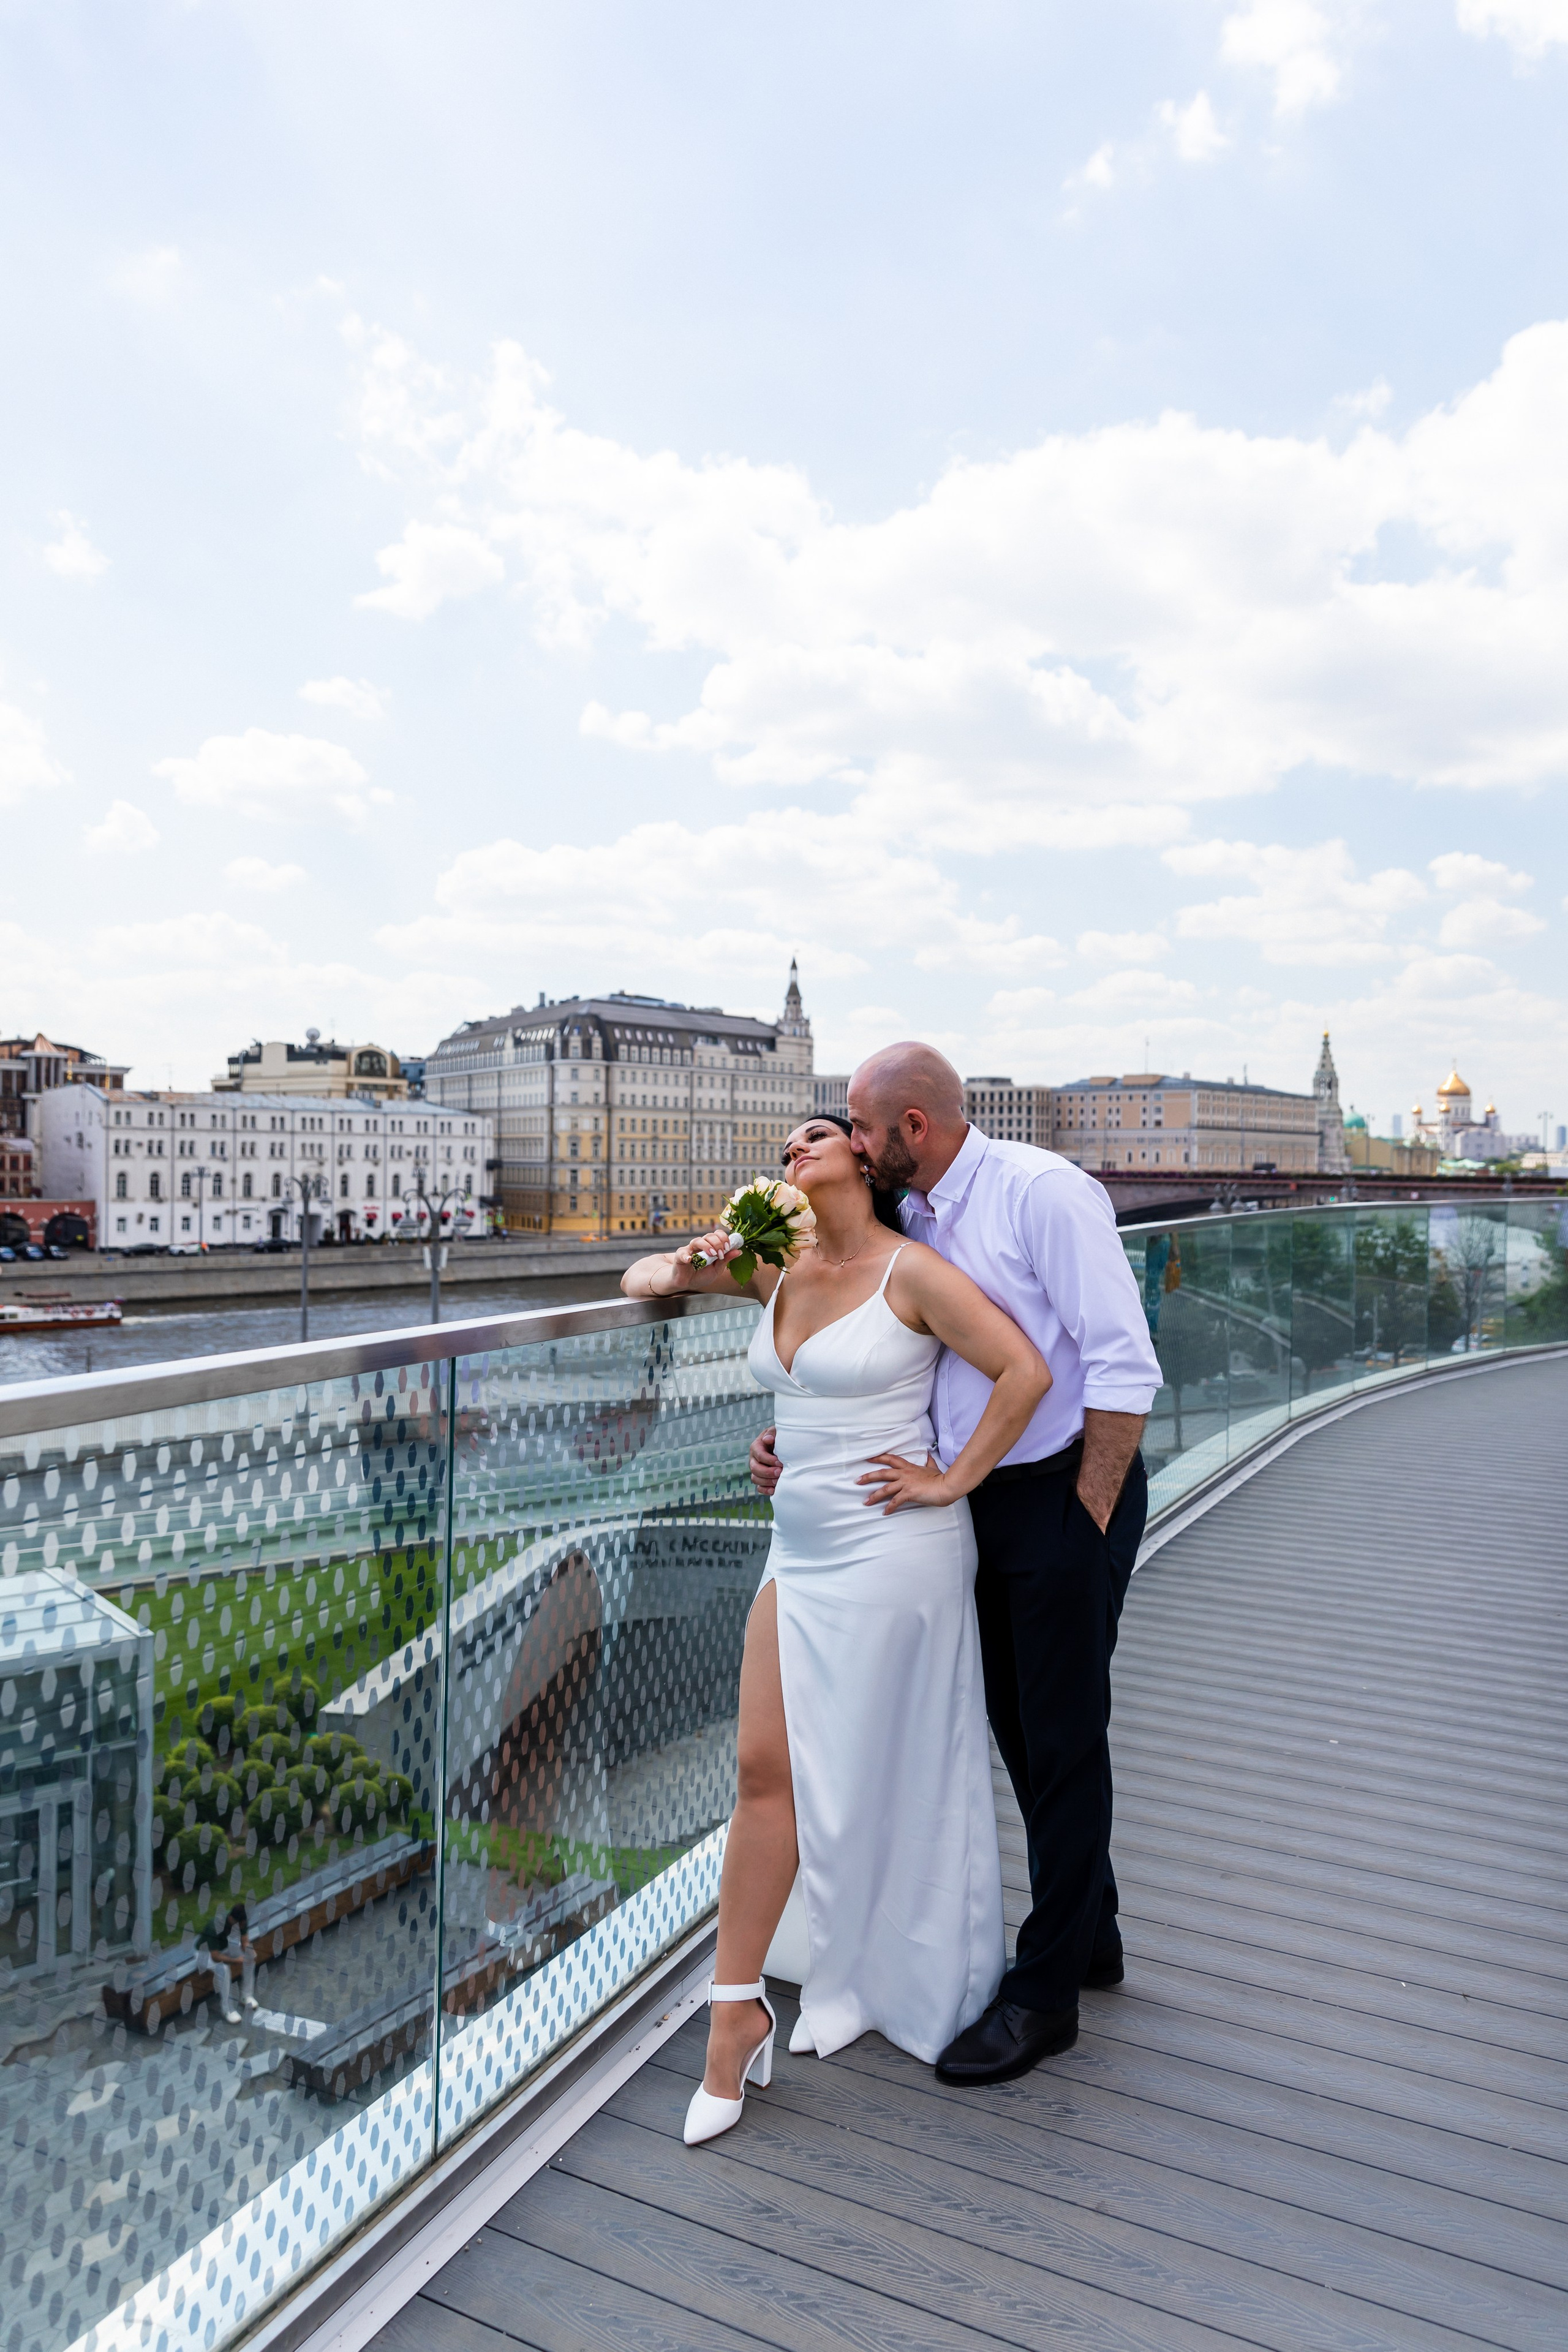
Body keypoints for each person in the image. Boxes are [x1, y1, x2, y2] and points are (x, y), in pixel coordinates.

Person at [623, 1111, 1051, 2145]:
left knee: (883, 1765)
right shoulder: (774, 1271)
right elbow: (645, 1284)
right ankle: (738, 2011)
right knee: (765, 1769)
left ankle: (830, 1988)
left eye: (815, 1137)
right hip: (798, 1548)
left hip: (895, 1551)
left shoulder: (913, 1273)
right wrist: (698, 1254)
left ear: (866, 1155)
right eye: (782, 1154)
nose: (793, 1153)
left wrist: (951, 1480)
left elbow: (1024, 1373)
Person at [750, 1045, 1161, 2086]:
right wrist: (791, 1442)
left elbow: (1122, 1363)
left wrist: (1089, 1518)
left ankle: (1046, 1997)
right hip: (973, 1501)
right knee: (1021, 1731)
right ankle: (1093, 1931)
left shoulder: (1043, 1194)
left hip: (1064, 1489)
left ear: (913, 1131)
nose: (847, 1136)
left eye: (860, 1123)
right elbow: (887, 1355)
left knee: (1063, 1741)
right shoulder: (912, 1216)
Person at [200, 1903, 258, 2024]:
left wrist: (249, 1951)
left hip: (223, 1948)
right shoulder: (215, 1926)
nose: (242, 1926)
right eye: (240, 1924)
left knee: (249, 1956)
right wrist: (236, 1960)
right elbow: (215, 1957)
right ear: (232, 1919)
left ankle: (246, 1996)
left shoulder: (241, 1920)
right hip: (204, 1954)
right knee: (224, 1969)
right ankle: (228, 2010)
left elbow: (245, 1941)